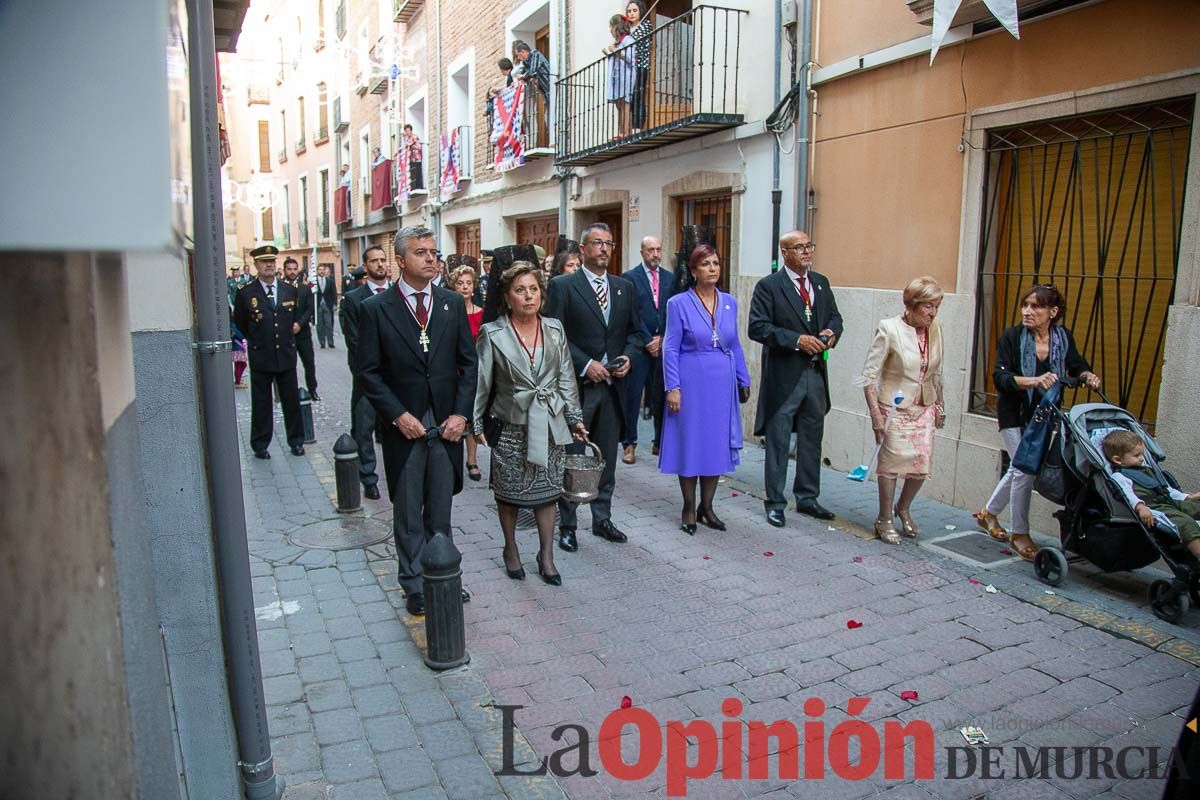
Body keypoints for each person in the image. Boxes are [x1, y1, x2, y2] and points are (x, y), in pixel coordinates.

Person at [357, 226, 478, 617]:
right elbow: (369, 374)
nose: (431, 259)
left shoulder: (450, 303)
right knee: (409, 510)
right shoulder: (376, 310)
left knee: (440, 506)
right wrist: (397, 416)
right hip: (405, 425)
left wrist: (461, 413)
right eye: (421, 252)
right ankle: (412, 582)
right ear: (400, 259)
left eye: (433, 252)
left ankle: (441, 575)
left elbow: (467, 363)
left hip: (445, 424)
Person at [473, 262, 587, 585]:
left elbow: (566, 378)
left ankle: (546, 555)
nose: (528, 296)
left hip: (550, 425)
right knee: (508, 492)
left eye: (534, 289)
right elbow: (482, 381)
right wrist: (476, 422)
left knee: (548, 491)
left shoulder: (554, 329)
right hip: (510, 425)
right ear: (507, 297)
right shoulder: (492, 333)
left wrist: (575, 419)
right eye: (520, 290)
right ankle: (510, 549)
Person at [976, 284, 1100, 561]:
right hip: (1013, 413)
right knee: (1025, 471)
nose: (1027, 311)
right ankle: (1019, 533)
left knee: (1021, 468)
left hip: (1044, 415)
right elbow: (1000, 377)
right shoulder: (1011, 336)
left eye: (1036, 306)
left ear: (1053, 312)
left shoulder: (1062, 338)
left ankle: (988, 514)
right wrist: (1033, 381)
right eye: (1025, 305)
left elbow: (1076, 364)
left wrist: (1088, 375)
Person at [544, 222, 645, 552]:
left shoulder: (623, 287)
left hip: (614, 388)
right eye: (597, 243)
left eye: (609, 244)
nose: (604, 249)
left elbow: (634, 332)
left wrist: (629, 356)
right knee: (573, 457)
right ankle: (569, 524)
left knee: (607, 458)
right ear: (583, 249)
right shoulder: (564, 286)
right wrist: (587, 364)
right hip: (578, 388)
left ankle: (602, 519)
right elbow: (553, 335)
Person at [749, 230, 843, 527]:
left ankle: (807, 497)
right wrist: (796, 340)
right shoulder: (769, 287)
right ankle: (775, 501)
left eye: (809, 246)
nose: (806, 252)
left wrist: (831, 333)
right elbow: (758, 328)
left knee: (812, 437)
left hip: (815, 374)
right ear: (785, 252)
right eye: (799, 247)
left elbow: (836, 318)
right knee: (778, 441)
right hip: (785, 376)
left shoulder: (821, 283)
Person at [659, 245, 751, 534]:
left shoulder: (729, 302)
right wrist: (672, 387)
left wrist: (743, 378)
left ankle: (707, 507)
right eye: (706, 264)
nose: (712, 268)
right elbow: (670, 347)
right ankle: (688, 506)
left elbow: (734, 343)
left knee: (714, 445)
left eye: (716, 263)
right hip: (690, 380)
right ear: (694, 270)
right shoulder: (678, 303)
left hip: (721, 383)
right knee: (691, 444)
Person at [858, 277, 946, 544]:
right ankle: (884, 518)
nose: (932, 313)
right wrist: (875, 415)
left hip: (924, 407)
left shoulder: (935, 328)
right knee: (891, 466)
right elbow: (869, 376)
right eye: (927, 307)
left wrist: (940, 405)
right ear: (911, 305)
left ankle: (903, 507)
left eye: (936, 307)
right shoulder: (889, 329)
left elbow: (936, 372)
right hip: (893, 409)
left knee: (921, 465)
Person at [233, 244, 306, 459]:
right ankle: (260, 444)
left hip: (285, 354)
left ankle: (296, 441)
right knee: (262, 403)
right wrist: (257, 341)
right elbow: (240, 322)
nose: (269, 265)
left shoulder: (289, 289)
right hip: (261, 355)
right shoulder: (246, 293)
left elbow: (294, 318)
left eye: (272, 261)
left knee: (291, 401)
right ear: (256, 264)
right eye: (264, 262)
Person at [339, 247, 391, 500]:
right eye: (374, 261)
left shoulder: (399, 294)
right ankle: (368, 478)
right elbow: (354, 340)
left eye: (383, 260)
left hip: (398, 377)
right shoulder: (353, 299)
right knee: (363, 428)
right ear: (365, 266)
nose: (380, 264)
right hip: (367, 376)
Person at [1103, 430, 1200, 559]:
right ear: (1118, 459)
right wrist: (1141, 507)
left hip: (1168, 501)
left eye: (1142, 454)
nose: (1142, 458)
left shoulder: (1146, 469)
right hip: (1154, 507)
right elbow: (1127, 495)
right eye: (1137, 455)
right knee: (1186, 524)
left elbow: (1166, 489)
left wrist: (1189, 497)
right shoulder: (1120, 476)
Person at [621, 235, 674, 464]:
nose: (655, 254)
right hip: (640, 347)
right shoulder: (630, 278)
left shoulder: (671, 279)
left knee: (662, 394)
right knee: (633, 396)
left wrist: (662, 338)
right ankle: (629, 443)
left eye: (658, 249)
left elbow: (673, 310)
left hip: (663, 346)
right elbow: (631, 313)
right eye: (650, 250)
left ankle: (659, 442)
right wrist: (647, 340)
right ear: (642, 252)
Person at [450, 264, 485, 482]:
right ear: (453, 286)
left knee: (472, 416)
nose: (465, 287)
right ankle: (452, 460)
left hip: (475, 372)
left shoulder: (482, 314)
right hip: (452, 371)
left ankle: (472, 460)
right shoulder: (447, 311)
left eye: (469, 283)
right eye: (460, 283)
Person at [282, 257, 319, 401]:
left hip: (303, 333)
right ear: (284, 270)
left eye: (294, 269)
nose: (292, 272)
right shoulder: (280, 288)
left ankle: (313, 390)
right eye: (289, 269)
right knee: (289, 365)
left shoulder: (305, 289)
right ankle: (289, 393)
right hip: (286, 334)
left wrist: (299, 324)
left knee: (309, 363)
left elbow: (309, 309)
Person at [604, 15, 636, 140]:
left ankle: (627, 132)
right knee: (619, 104)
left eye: (611, 27)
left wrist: (615, 50)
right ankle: (621, 130)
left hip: (626, 74)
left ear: (617, 27)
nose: (610, 30)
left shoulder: (628, 40)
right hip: (617, 76)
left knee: (625, 103)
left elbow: (630, 58)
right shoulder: (618, 42)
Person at [626, 1, 652, 134]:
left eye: (634, 10)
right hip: (630, 68)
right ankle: (631, 126)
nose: (631, 14)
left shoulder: (646, 25)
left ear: (640, 11)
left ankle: (638, 127)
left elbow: (633, 40)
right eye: (629, 11)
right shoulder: (628, 29)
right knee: (630, 98)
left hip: (641, 66)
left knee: (638, 95)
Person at [513, 40, 551, 106]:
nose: (518, 58)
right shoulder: (526, 62)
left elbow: (533, 70)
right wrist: (524, 77)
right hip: (544, 89)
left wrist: (523, 76)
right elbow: (528, 75)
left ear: (523, 52)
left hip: (550, 84)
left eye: (518, 55)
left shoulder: (535, 54)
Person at [315, 264, 337, 348]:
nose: (321, 271)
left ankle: (331, 342)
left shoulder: (330, 281)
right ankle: (322, 342)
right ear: (317, 271)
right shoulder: (314, 282)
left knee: (329, 324)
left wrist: (335, 304)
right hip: (318, 305)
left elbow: (333, 293)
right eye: (320, 270)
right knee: (320, 325)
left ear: (325, 271)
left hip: (327, 305)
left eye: (323, 269)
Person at [402, 124, 424, 191]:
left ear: (411, 130)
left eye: (408, 131)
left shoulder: (415, 137)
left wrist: (412, 146)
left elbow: (419, 147)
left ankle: (419, 186)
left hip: (416, 158)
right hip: (411, 159)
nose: (407, 133)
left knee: (417, 172)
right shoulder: (407, 139)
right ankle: (413, 187)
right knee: (412, 173)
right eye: (406, 131)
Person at [231, 316, 248, 388]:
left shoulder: (233, 325)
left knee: (239, 364)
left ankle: (238, 379)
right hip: (237, 347)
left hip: (237, 346)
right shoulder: (233, 325)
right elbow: (239, 335)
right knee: (241, 364)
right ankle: (238, 381)